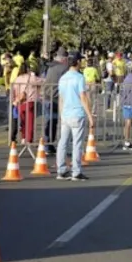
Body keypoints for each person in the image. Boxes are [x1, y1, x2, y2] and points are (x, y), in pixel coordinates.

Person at [56, 53, 93, 181]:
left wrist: (61, 114)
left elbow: (61, 98)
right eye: (81, 61)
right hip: (77, 113)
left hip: (65, 114)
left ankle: (61, 170)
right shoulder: (79, 78)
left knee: (63, 142)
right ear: (77, 62)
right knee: (77, 144)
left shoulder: (63, 78)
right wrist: (90, 115)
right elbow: (83, 96)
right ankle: (76, 172)